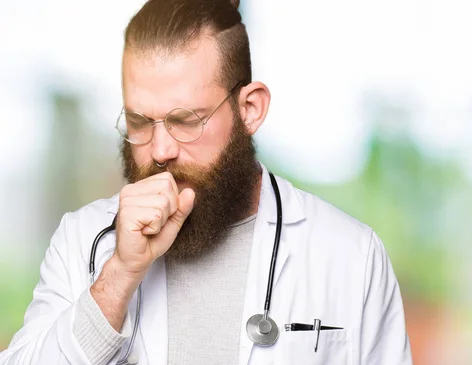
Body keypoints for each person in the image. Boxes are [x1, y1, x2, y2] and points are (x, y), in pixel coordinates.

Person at [0, 0, 412, 364]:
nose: (160, 150)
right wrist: (120, 275)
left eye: (186, 121)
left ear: (250, 109)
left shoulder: (351, 255)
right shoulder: (82, 240)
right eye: (140, 122)